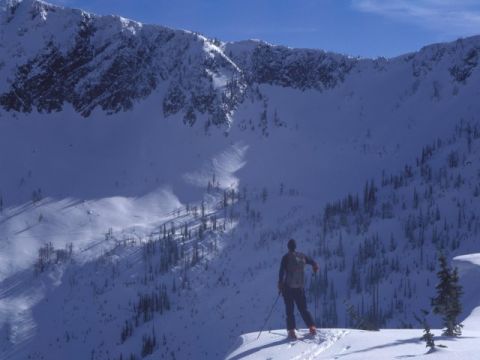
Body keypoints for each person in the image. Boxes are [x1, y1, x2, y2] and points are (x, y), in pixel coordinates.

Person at [278, 238, 319, 339]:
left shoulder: (286, 257)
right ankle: (312, 327)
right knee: (303, 309)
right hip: (300, 287)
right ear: (295, 246)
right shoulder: (302, 256)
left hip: (288, 288)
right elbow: (312, 262)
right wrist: (315, 266)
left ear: (288, 247)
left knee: (290, 309)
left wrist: (280, 284)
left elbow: (281, 272)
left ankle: (292, 331)